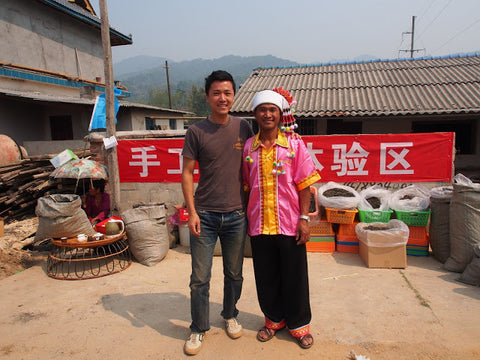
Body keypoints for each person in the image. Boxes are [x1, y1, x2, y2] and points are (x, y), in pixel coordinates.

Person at [181, 70, 254, 355]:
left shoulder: (244, 128)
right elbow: (187, 173)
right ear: (208, 97)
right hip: (206, 215)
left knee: (234, 273)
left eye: (227, 93)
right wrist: (192, 212)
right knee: (200, 277)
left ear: (234, 96)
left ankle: (230, 314)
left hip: (237, 214)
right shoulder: (196, 131)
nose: (222, 98)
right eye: (216, 93)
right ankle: (198, 328)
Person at [242, 88, 321, 349]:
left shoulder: (294, 145)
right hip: (259, 224)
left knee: (295, 276)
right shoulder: (248, 148)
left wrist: (304, 219)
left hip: (289, 224)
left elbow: (304, 184)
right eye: (262, 109)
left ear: (280, 114)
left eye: (272, 109)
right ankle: (273, 320)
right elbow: (245, 185)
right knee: (266, 276)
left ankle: (299, 325)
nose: (267, 114)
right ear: (255, 114)